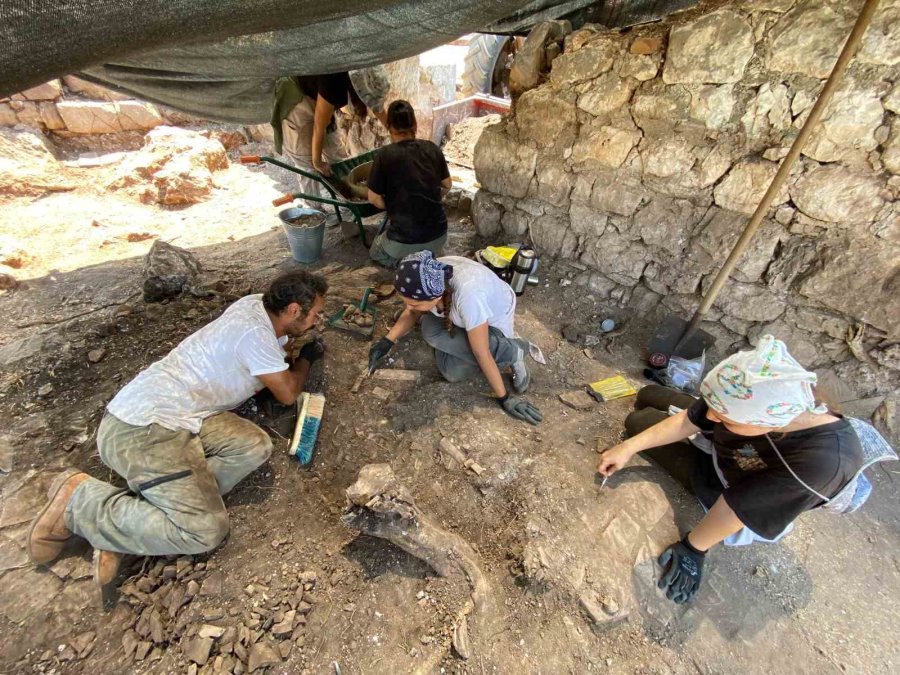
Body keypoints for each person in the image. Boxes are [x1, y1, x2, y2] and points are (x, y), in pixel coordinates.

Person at [26, 271, 329, 592]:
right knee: (205, 531)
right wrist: (307, 358)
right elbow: (287, 392)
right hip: (141, 426)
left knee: (253, 446)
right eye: (315, 313)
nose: (318, 319)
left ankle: (136, 517)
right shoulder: (256, 335)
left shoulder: (256, 306)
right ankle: (79, 501)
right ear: (294, 310)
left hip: (184, 410)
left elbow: (271, 356)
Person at [597, 336, 863, 604]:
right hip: (727, 445)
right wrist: (628, 448)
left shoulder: (820, 465)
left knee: (638, 420)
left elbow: (739, 508)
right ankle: (712, 430)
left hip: (727, 480)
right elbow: (696, 418)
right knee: (646, 395)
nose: (711, 417)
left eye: (724, 417)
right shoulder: (763, 391)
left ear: (767, 423)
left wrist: (694, 549)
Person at [368, 251, 542, 425]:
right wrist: (387, 341)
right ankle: (478, 341)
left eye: (415, 303)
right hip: (461, 315)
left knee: (475, 349)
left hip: (491, 322)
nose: (409, 307)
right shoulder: (427, 274)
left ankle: (512, 350)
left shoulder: (469, 297)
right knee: (450, 371)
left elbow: (481, 353)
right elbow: (412, 311)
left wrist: (505, 397)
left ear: (435, 296)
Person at [271, 68, 389, 206]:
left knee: (336, 155)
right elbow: (318, 126)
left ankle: (347, 202)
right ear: (357, 90)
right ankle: (315, 211)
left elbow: (377, 107)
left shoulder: (365, 77)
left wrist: (396, 135)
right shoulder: (334, 81)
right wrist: (317, 161)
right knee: (307, 162)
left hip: (320, 95)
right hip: (297, 100)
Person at [366, 100, 452, 267]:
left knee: (375, 251)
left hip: (404, 241)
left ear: (389, 127)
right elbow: (447, 185)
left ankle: (406, 264)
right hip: (439, 236)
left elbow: (373, 199)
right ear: (415, 124)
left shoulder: (384, 156)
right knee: (426, 247)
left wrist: (396, 206)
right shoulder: (432, 148)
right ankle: (428, 257)